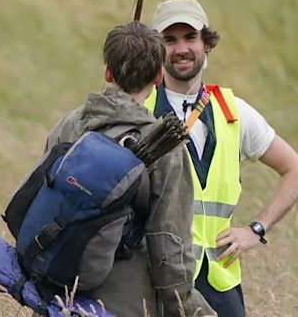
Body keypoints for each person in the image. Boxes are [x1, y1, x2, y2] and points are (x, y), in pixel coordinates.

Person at [44, 21, 216, 316]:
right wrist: (186, 306)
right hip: (124, 302)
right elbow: (168, 241)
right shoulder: (164, 145)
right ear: (159, 76)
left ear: (107, 72)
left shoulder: (69, 125)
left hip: (55, 291)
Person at [146, 0, 298, 317]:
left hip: (219, 284)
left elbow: (293, 169)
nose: (181, 48)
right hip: (154, 280)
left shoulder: (234, 112)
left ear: (206, 43)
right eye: (169, 40)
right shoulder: (138, 113)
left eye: (190, 37)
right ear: (156, 49)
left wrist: (256, 230)